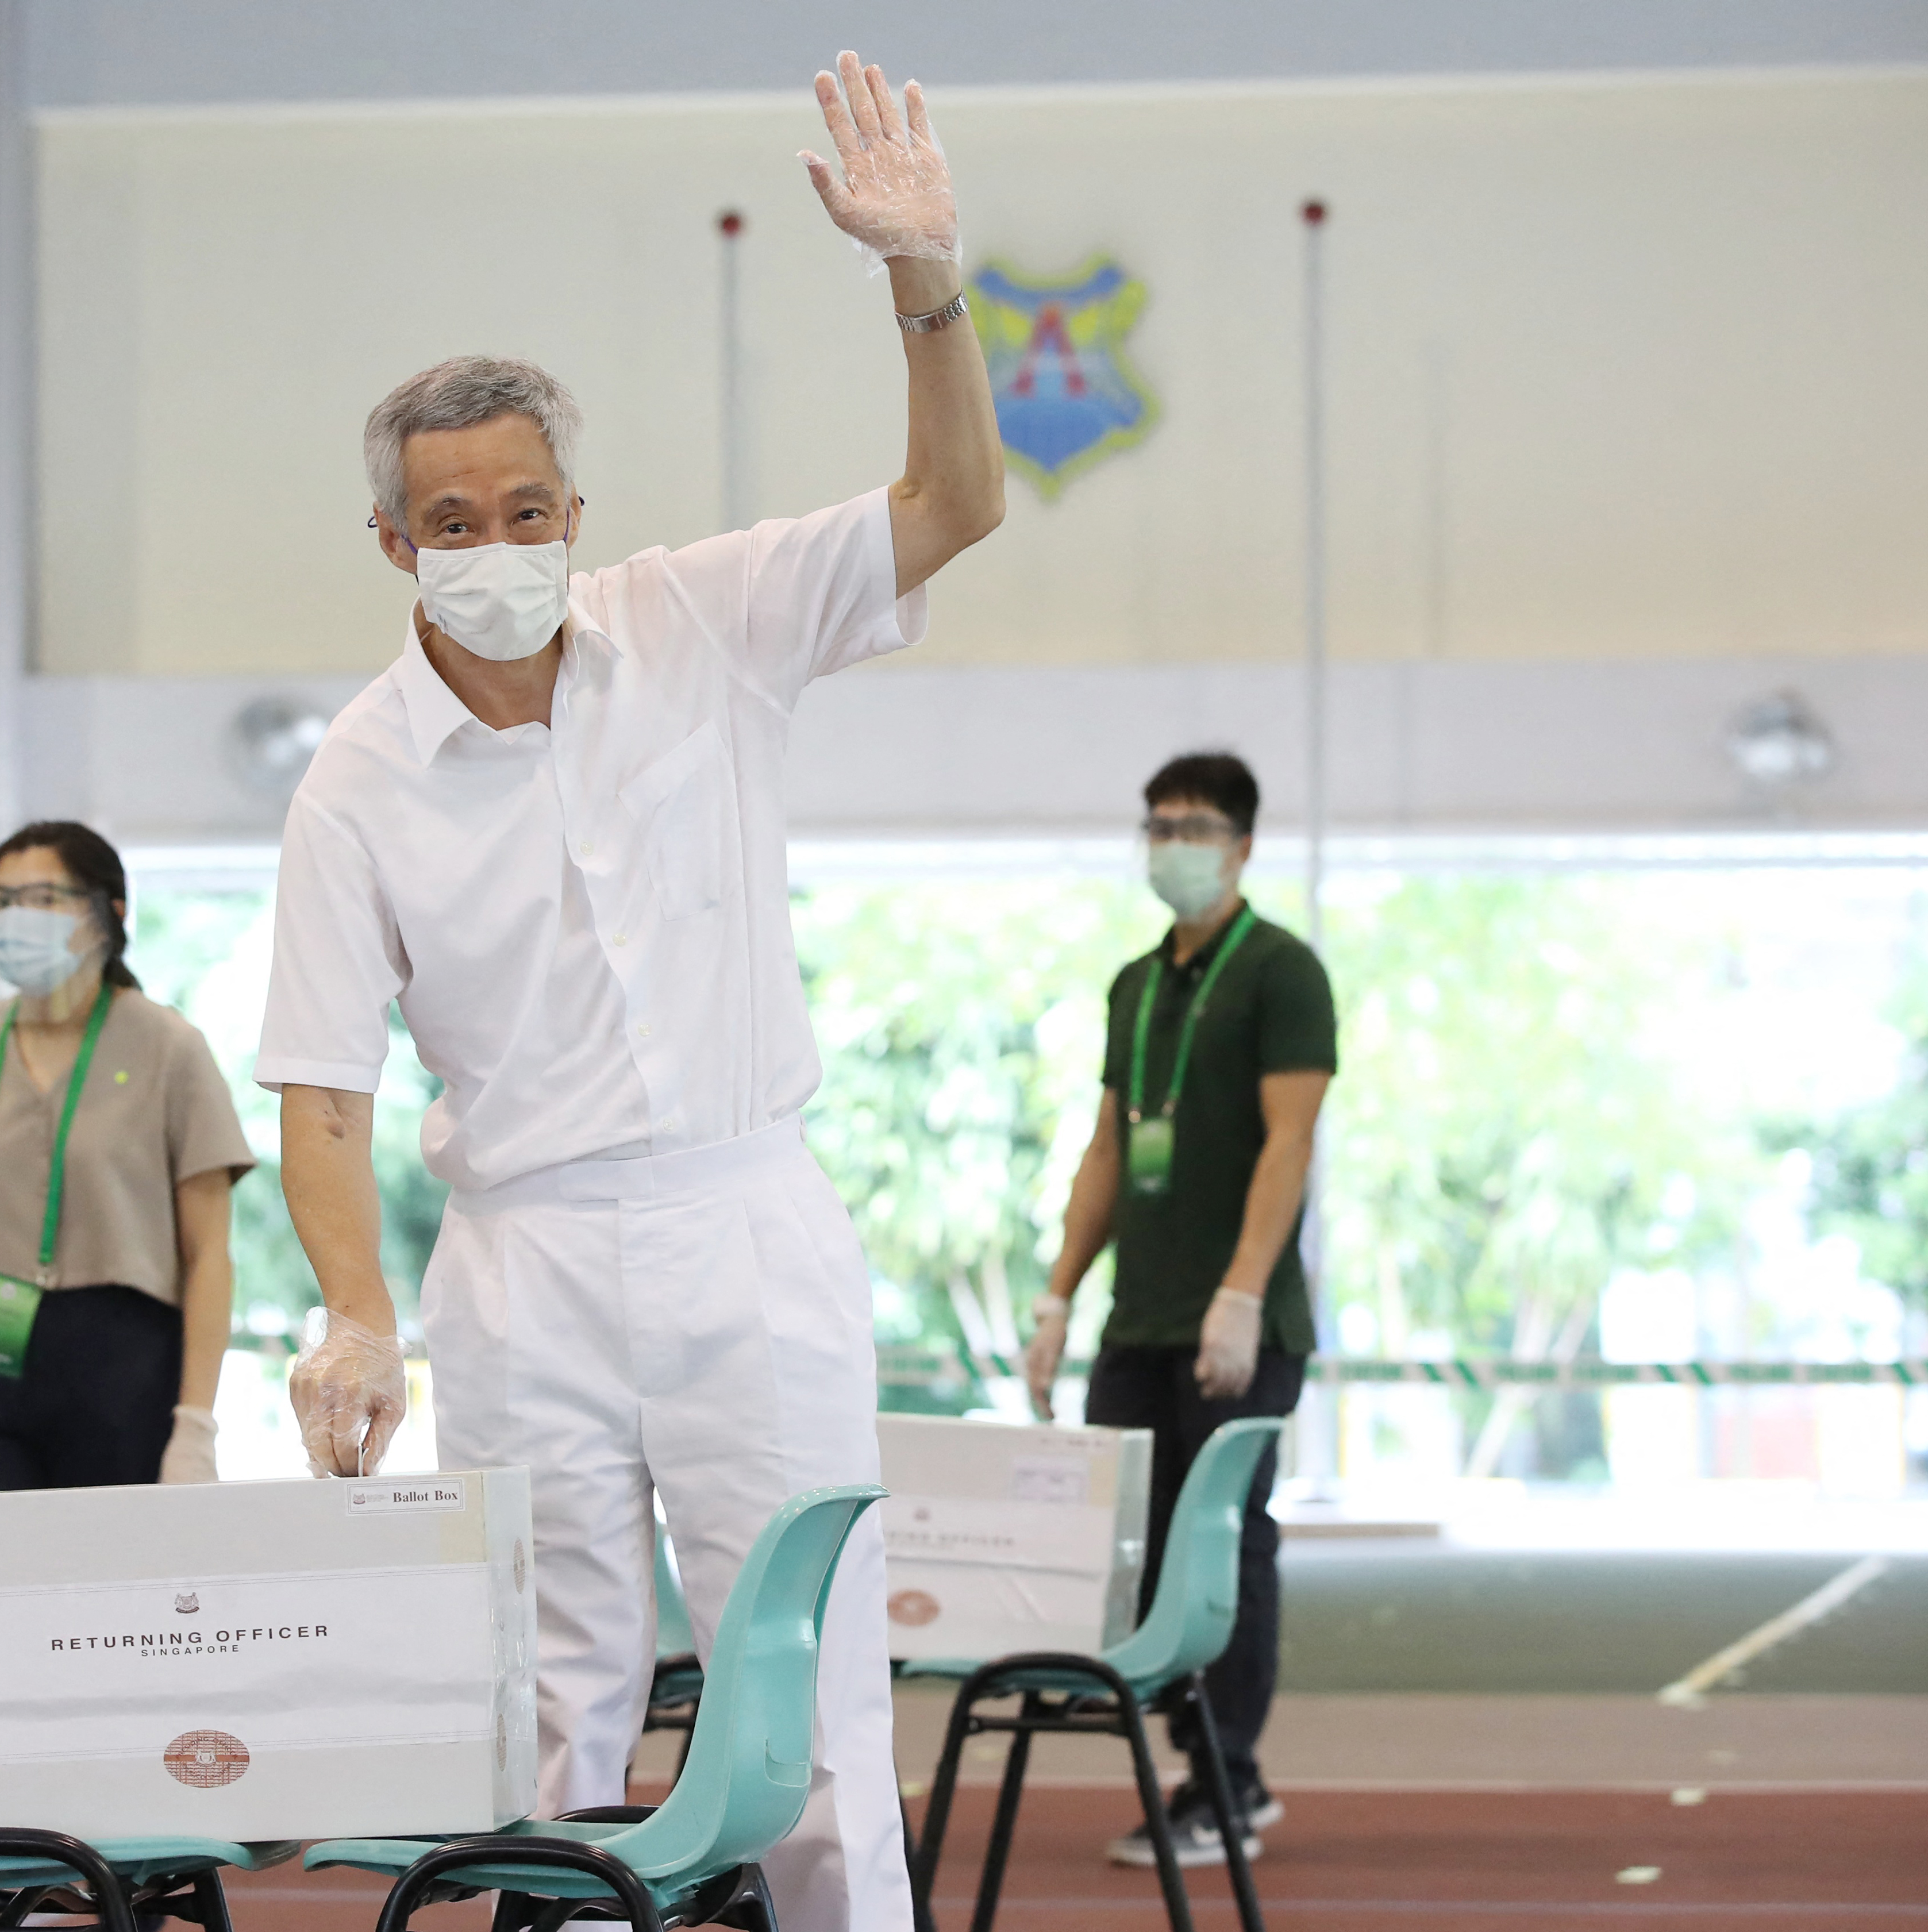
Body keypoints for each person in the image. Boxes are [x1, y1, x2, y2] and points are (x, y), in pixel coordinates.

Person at [256, 54, 1002, 1932]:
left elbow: (954, 500)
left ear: (573, 509)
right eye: (449, 519)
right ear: (391, 543)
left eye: (523, 508)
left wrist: (925, 283)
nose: (491, 546)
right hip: (519, 1261)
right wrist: (354, 1310)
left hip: (743, 1220)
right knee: (545, 1708)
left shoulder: (711, 619)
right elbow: (323, 1087)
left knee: (807, 1684)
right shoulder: (355, 773)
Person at [1022, 751, 1336, 1869]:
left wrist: (1242, 1291)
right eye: (1156, 825)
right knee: (1135, 1552)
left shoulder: (1282, 972)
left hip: (1238, 1320)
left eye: (1194, 826)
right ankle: (1190, 1754)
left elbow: (1288, 1141)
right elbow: (1108, 1144)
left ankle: (1230, 1777)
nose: (1172, 844)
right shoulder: (1133, 983)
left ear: (1243, 843)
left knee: (1226, 1543)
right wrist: (1057, 1293)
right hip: (1136, 1319)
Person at [0, 821, 252, 1540]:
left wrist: (196, 1423)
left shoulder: (169, 1047)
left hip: (123, 1357)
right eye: (0, 900)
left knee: (109, 1601)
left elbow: (209, 1255)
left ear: (110, 911)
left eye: (42, 896)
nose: (16, 918)